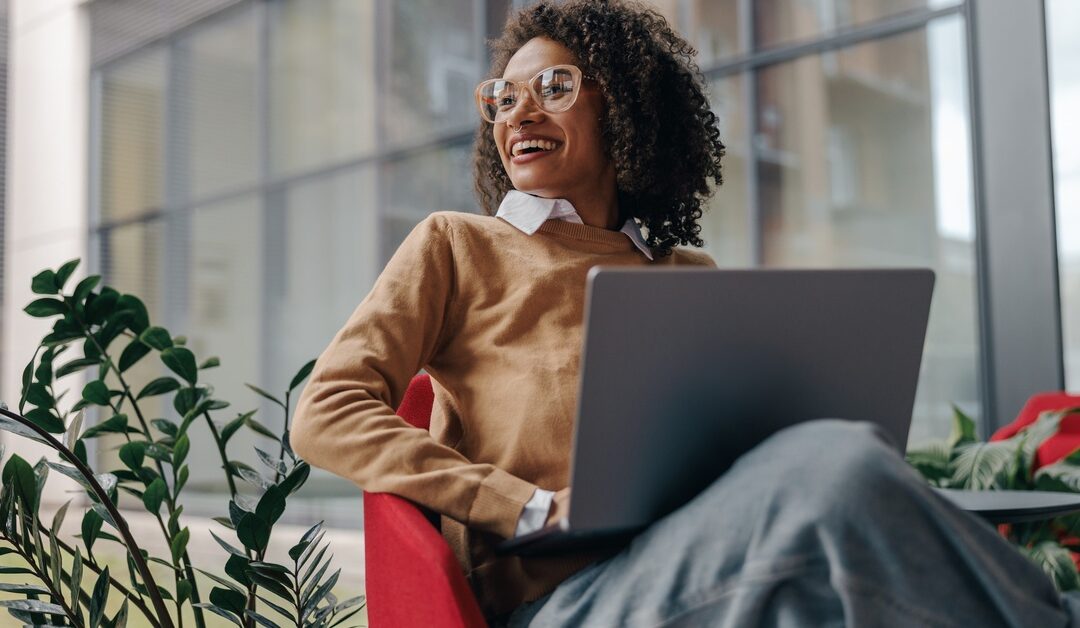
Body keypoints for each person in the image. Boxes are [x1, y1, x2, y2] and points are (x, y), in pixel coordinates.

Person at [290, 1, 1080, 626]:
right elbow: (323, 413)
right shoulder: (457, 247)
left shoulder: (683, 274)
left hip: (712, 563)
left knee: (838, 525)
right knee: (837, 467)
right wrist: (520, 504)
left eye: (554, 87)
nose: (517, 112)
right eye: (502, 97)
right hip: (563, 602)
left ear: (625, 109)